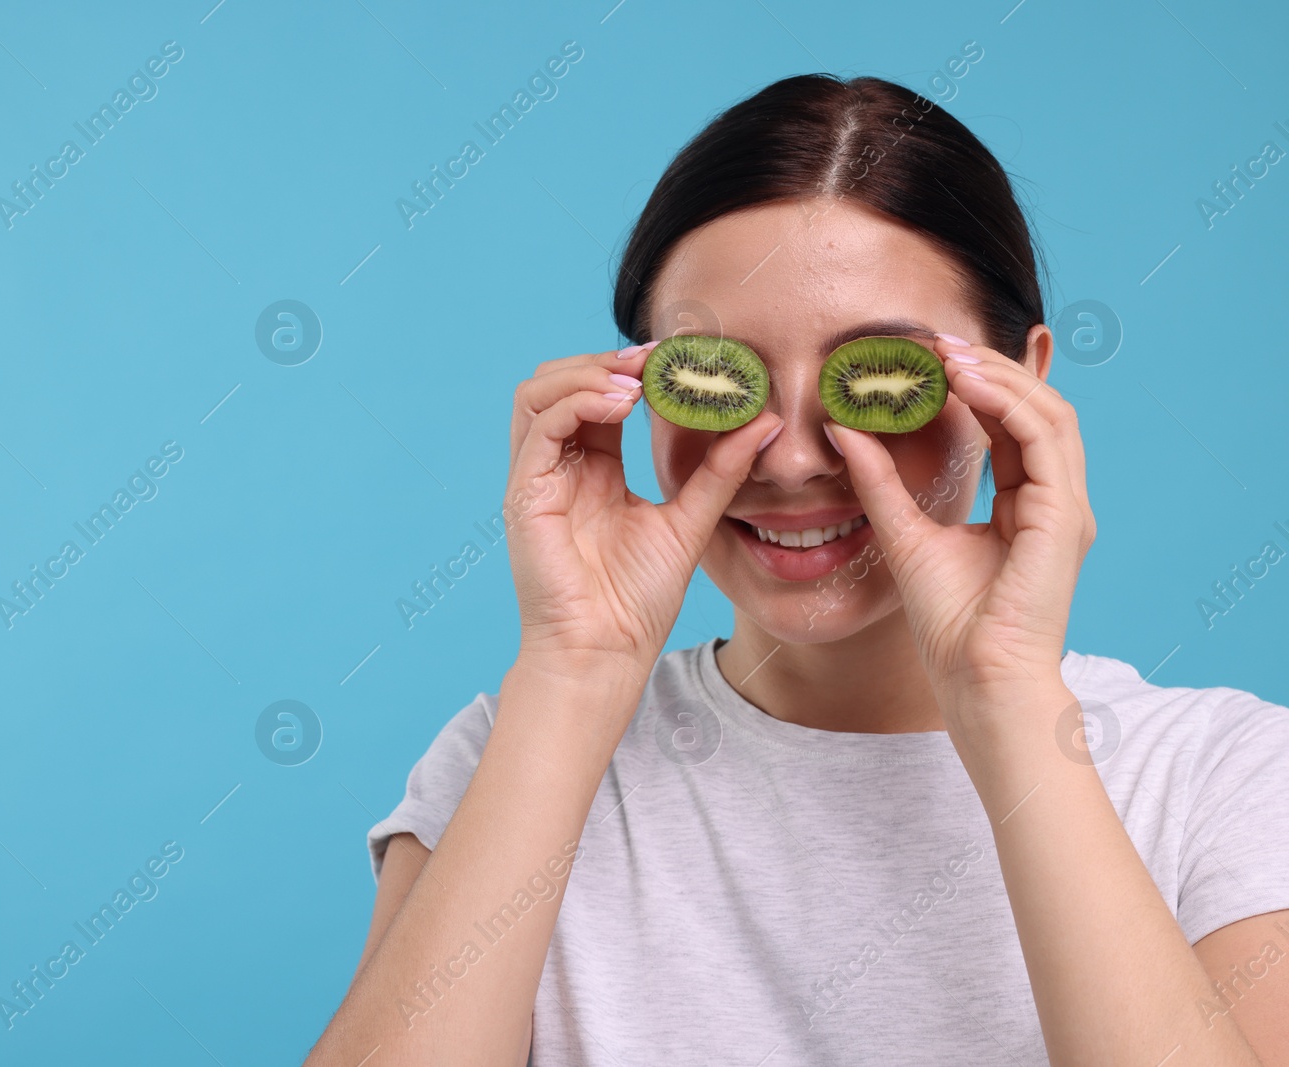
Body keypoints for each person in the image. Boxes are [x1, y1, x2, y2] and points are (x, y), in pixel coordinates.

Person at [305, 73, 1289, 1066]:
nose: (788, 458)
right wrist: (576, 665)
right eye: (717, 376)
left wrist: (1003, 694)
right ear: (637, 384)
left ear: (1021, 380)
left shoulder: (1226, 778)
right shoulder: (507, 755)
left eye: (877, 377)